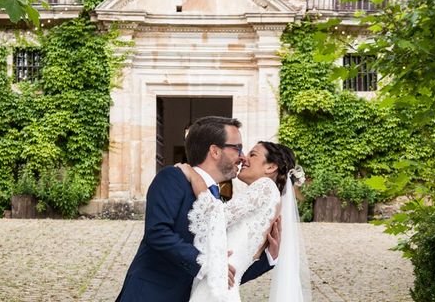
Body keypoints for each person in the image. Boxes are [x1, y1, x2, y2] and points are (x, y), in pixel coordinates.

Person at [115, 116, 279, 302]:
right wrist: (208, 263)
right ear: (215, 151)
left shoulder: (218, 201)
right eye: (238, 148)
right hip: (151, 294)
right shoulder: (173, 178)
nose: (242, 157)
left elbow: (226, 273)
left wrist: (269, 258)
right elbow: (157, 233)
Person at [177, 141, 311, 302]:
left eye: (252, 155)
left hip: (216, 288)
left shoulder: (265, 186)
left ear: (270, 167)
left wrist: (193, 176)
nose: (243, 159)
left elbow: (216, 215)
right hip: (222, 286)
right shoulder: (272, 200)